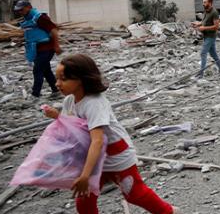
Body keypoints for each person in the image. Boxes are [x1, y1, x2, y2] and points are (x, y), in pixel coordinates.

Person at [43, 54, 176, 214]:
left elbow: (97, 140)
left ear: (80, 79)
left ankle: (168, 211)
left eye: (63, 79)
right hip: (93, 158)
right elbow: (73, 124)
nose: (57, 84)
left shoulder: (94, 103)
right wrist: (57, 116)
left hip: (115, 155)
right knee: (84, 199)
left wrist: (84, 175)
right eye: (57, 78)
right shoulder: (69, 101)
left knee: (134, 193)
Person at [15, 0, 61, 99]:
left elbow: (53, 30)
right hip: (37, 49)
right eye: (18, 11)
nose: (20, 12)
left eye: (21, 10)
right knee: (46, 70)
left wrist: (56, 46)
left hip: (47, 48)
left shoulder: (40, 17)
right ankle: (56, 90)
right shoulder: (27, 19)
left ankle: (35, 94)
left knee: (37, 70)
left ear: (29, 7)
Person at [191, 0, 220, 78]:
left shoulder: (214, 12)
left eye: (205, 2)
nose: (203, 4)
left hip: (211, 36)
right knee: (214, 54)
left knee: (203, 53)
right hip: (206, 35)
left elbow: (216, 26)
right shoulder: (206, 11)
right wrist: (198, 24)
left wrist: (204, 28)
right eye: (203, 2)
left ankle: (201, 73)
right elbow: (204, 21)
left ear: (210, 3)